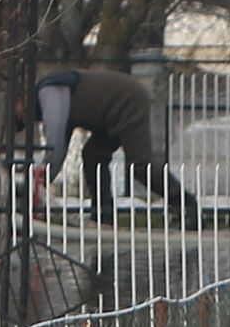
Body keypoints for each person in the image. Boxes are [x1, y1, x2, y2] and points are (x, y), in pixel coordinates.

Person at [31, 66, 158, 221]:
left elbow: (55, 137)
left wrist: (40, 179)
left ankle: (187, 205)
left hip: (127, 101)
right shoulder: (56, 99)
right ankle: (103, 215)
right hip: (108, 114)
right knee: (93, 156)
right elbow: (60, 149)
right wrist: (43, 179)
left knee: (141, 166)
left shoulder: (50, 91)